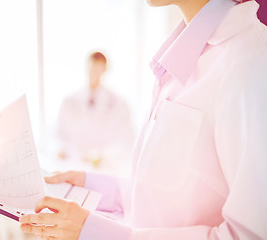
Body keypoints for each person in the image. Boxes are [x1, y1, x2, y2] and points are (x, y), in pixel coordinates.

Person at [19, 0, 267, 239]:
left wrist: (97, 234)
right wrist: (91, 185)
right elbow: (161, 198)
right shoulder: (186, 60)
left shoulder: (249, 65)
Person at [56, 52, 134, 171]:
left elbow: (127, 142)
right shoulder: (69, 102)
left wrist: (100, 157)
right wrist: (67, 151)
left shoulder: (119, 104)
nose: (94, 72)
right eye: (92, 67)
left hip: (104, 169)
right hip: (72, 165)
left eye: (98, 68)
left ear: (105, 70)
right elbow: (58, 137)